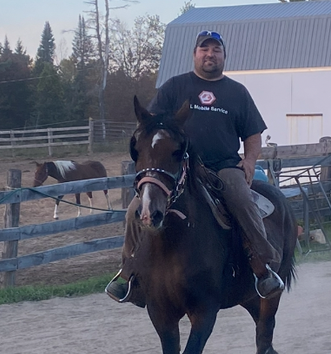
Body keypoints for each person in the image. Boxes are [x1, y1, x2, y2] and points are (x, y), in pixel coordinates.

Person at [110, 30, 284, 302]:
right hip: (179, 169)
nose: (210, 54)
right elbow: (151, 126)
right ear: (195, 54)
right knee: (135, 209)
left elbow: (253, 134)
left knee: (240, 199)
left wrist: (249, 161)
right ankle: (128, 273)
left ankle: (263, 267)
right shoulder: (174, 87)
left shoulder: (237, 92)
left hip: (222, 167)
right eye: (205, 49)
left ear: (224, 56)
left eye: (216, 50)